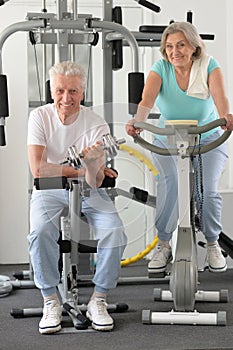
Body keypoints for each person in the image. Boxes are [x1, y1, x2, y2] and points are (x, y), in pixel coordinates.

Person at [27, 61, 127, 334]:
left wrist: (94, 165)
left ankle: (99, 299)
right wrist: (81, 168)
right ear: (51, 91)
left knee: (115, 232)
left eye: (73, 91)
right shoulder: (39, 117)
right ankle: (51, 298)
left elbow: (95, 182)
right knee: (40, 232)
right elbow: (38, 169)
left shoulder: (95, 123)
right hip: (48, 188)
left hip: (88, 189)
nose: (66, 98)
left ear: (82, 92)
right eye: (60, 91)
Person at [126, 21, 233, 275]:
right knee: (169, 184)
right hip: (168, 139)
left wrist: (226, 116)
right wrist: (138, 121)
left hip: (207, 138)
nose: (175, 51)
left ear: (194, 47)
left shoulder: (209, 66)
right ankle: (163, 243)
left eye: (181, 45)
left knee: (206, 191)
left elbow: (220, 99)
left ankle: (211, 243)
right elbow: (147, 100)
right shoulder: (160, 68)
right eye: (170, 46)